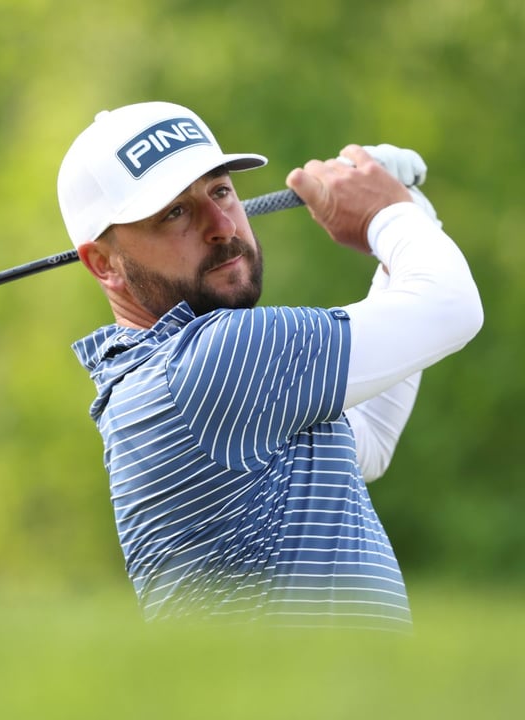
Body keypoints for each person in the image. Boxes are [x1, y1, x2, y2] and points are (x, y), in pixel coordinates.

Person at [57, 101, 482, 630]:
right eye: (175, 213)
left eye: (220, 191)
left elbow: (367, 439)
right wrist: (387, 216)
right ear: (104, 263)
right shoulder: (213, 360)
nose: (220, 226)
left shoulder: (152, 381)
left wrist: (407, 218)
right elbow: (452, 307)